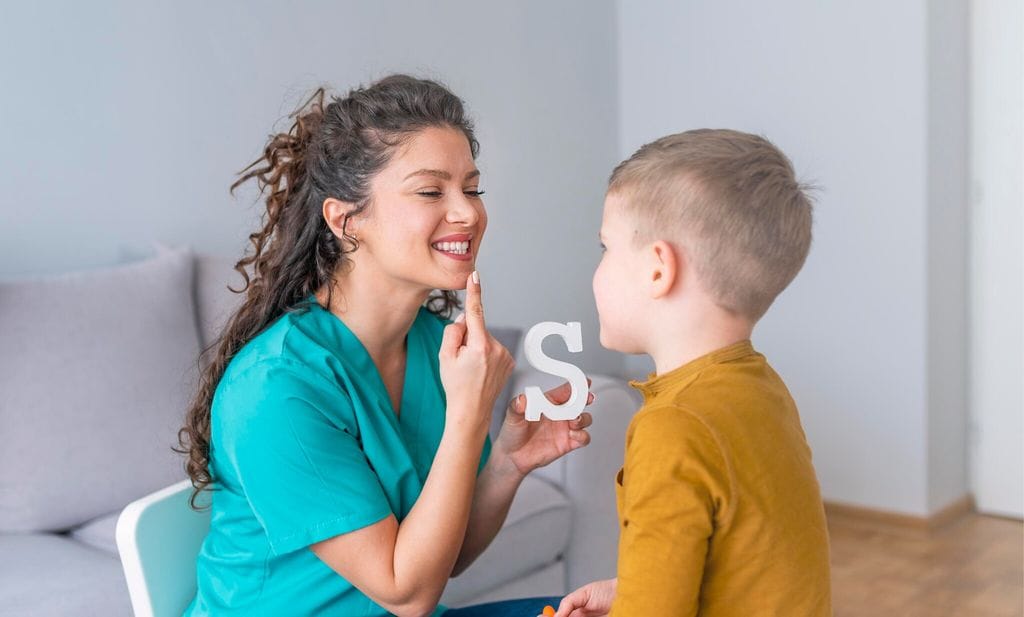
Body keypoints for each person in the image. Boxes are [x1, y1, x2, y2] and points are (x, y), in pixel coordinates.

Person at [178, 75, 593, 617]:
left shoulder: (428, 344)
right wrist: (469, 414)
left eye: (472, 188)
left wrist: (509, 462)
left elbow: (445, 554)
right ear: (346, 219)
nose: (467, 212)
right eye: (430, 191)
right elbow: (408, 591)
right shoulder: (277, 387)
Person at [557, 129, 831, 616]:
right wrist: (632, 589)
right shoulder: (761, 389)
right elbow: (744, 561)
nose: (597, 269)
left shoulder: (673, 426)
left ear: (658, 269)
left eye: (606, 248)